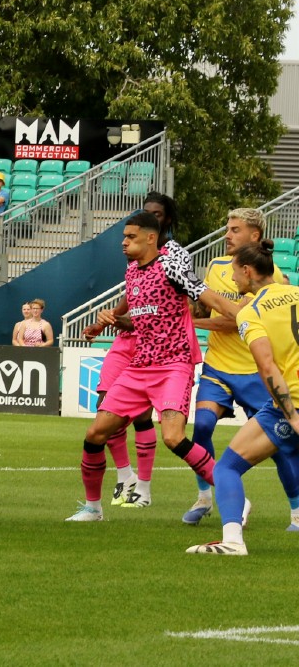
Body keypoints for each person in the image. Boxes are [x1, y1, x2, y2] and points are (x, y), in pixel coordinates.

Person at [65, 211, 241, 522]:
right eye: (124, 237)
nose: (124, 242)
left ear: (151, 237)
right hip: (139, 367)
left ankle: (235, 499)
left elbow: (209, 297)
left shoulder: (171, 268)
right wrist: (114, 320)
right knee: (95, 433)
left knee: (172, 437)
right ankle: (93, 508)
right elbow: (142, 318)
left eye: (130, 237)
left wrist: (244, 315)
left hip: (173, 364)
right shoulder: (132, 272)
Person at [184, 207, 299, 526]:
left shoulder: (274, 279)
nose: (227, 234)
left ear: (255, 236)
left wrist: (189, 324)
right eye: (227, 227)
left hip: (254, 372)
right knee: (203, 426)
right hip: (217, 367)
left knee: (278, 446)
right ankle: (205, 497)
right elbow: (205, 305)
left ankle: (296, 510)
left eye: (235, 229)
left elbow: (234, 321)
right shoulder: (216, 266)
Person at [81, 192, 182, 508]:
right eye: (147, 211)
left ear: (165, 220)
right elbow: (133, 294)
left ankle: (144, 488)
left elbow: (178, 299)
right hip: (126, 340)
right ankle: (125, 477)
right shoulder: (136, 258)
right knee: (104, 408)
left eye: (158, 213)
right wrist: (105, 320)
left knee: (140, 417)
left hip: (153, 345)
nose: (152, 216)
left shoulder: (173, 255)